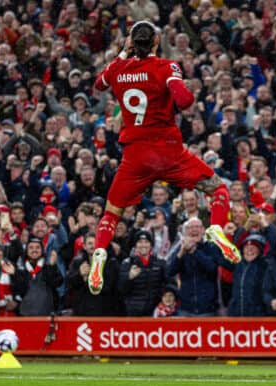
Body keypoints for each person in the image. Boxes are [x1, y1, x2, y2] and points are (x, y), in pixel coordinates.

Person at [88, 20, 240, 295]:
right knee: (217, 187)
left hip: (135, 156)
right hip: (168, 150)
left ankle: (99, 252)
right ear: (156, 42)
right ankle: (216, 227)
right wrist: (178, 86)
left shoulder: (118, 69)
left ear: (132, 43)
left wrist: (123, 53)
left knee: (112, 213)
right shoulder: (166, 67)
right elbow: (184, 101)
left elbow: (99, 84)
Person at [117, 230, 166, 316]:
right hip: (133, 313)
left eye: (146, 242)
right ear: (135, 245)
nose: (143, 245)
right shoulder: (127, 263)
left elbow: (166, 284)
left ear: (151, 245)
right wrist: (129, 277)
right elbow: (121, 289)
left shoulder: (160, 262)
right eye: (140, 242)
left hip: (155, 312)